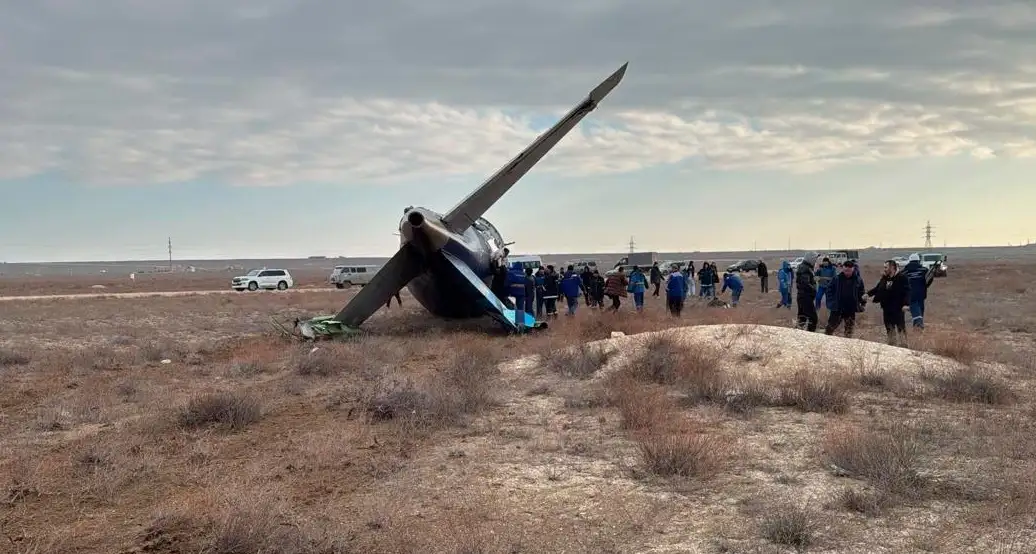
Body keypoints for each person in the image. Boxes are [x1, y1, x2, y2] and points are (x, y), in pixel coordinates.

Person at [867, 259, 911, 346]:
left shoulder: (902, 278)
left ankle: (904, 346)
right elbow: (877, 289)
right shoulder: (885, 278)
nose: (884, 269)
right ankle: (892, 346)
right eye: (884, 267)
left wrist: (906, 304)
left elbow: (907, 291)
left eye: (886, 267)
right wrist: (868, 294)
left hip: (898, 308)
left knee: (900, 328)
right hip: (886, 308)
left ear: (892, 267)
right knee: (889, 328)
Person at [823, 260, 866, 337]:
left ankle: (847, 346)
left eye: (849, 271)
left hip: (850, 308)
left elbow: (862, 292)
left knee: (849, 331)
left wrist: (862, 303)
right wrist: (831, 302)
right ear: (843, 269)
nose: (847, 273)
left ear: (853, 269)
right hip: (838, 308)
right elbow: (829, 290)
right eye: (846, 270)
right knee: (830, 328)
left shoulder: (858, 280)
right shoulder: (837, 279)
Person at [902, 253, 931, 329]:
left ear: (909, 261)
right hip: (921, 294)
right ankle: (918, 325)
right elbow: (929, 279)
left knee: (914, 309)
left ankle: (918, 325)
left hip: (910, 294)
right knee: (920, 310)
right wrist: (925, 286)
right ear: (918, 261)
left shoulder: (904, 272)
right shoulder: (924, 270)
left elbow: (901, 283)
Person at [796, 253, 819, 331]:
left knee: (802, 318)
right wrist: (814, 289)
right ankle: (810, 337)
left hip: (804, 296)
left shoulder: (806, 267)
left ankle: (798, 336)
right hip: (805, 296)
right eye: (815, 259)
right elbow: (805, 283)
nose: (815, 260)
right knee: (813, 318)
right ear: (810, 259)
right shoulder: (804, 268)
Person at [506, 262, 528, 332]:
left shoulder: (511, 272)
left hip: (512, 293)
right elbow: (526, 283)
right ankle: (521, 327)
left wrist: (506, 293)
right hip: (521, 294)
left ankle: (511, 326)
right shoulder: (524, 274)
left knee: (511, 309)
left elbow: (507, 283)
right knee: (520, 310)